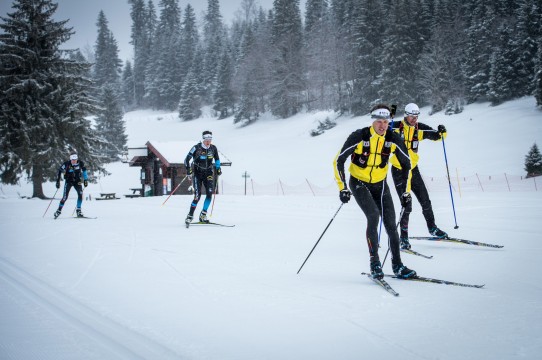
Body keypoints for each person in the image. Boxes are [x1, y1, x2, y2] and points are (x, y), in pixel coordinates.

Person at [333, 104, 416, 280]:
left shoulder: (393, 138)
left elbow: (408, 165)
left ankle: (398, 265)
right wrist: (343, 188)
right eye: (379, 121)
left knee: (391, 225)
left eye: (386, 122)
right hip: (358, 182)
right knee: (373, 216)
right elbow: (338, 161)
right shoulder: (359, 136)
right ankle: (375, 263)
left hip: (380, 184)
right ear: (373, 121)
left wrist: (406, 193)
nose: (382, 125)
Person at [390, 103, 448, 250]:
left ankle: (432, 228)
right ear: (405, 115)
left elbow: (437, 136)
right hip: (398, 171)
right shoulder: (396, 127)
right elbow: (381, 132)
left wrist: (442, 132)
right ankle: (403, 238)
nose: (414, 119)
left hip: (413, 170)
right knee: (406, 205)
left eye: (416, 116)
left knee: (425, 200)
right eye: (412, 116)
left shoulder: (419, 128)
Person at [184, 131, 222, 225]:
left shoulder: (213, 148)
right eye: (206, 140)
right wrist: (188, 170)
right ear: (203, 139)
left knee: (209, 194)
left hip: (208, 173)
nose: (208, 142)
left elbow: (217, 159)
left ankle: (203, 215)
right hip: (198, 174)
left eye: (210, 140)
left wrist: (218, 168)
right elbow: (186, 159)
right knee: (197, 196)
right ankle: (190, 215)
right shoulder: (196, 148)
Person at [54, 153, 88, 219]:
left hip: (77, 182)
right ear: (70, 159)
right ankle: (58, 210)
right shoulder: (66, 164)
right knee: (65, 197)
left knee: (80, 195)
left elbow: (84, 171)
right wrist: (58, 181)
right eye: (72, 160)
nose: (74, 161)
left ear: (77, 159)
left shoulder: (80, 163)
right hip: (68, 182)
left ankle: (78, 211)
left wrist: (85, 180)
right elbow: (60, 170)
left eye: (75, 160)